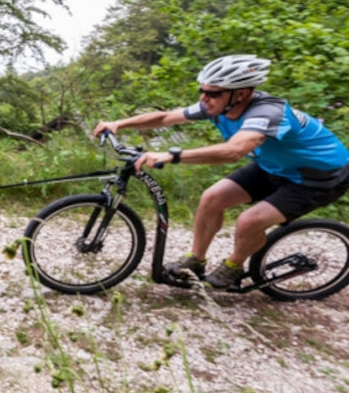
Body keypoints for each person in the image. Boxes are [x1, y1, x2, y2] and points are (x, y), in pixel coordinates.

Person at [93, 54, 349, 290]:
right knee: (211, 198)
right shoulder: (216, 106)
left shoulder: (267, 112)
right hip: (275, 167)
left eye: (212, 93)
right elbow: (166, 118)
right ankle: (196, 260)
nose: (204, 98)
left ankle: (233, 267)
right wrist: (119, 123)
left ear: (241, 94)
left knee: (248, 222)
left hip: (319, 177)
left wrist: (173, 155)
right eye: (202, 91)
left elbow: (234, 151)